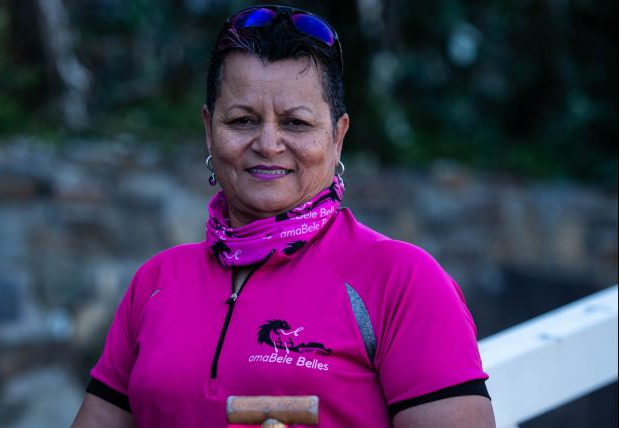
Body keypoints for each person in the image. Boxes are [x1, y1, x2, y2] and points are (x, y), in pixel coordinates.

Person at [72, 5, 495, 427]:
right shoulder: (155, 283)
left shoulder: (402, 282)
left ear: (337, 137)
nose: (268, 143)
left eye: (295, 123)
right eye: (242, 120)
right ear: (209, 129)